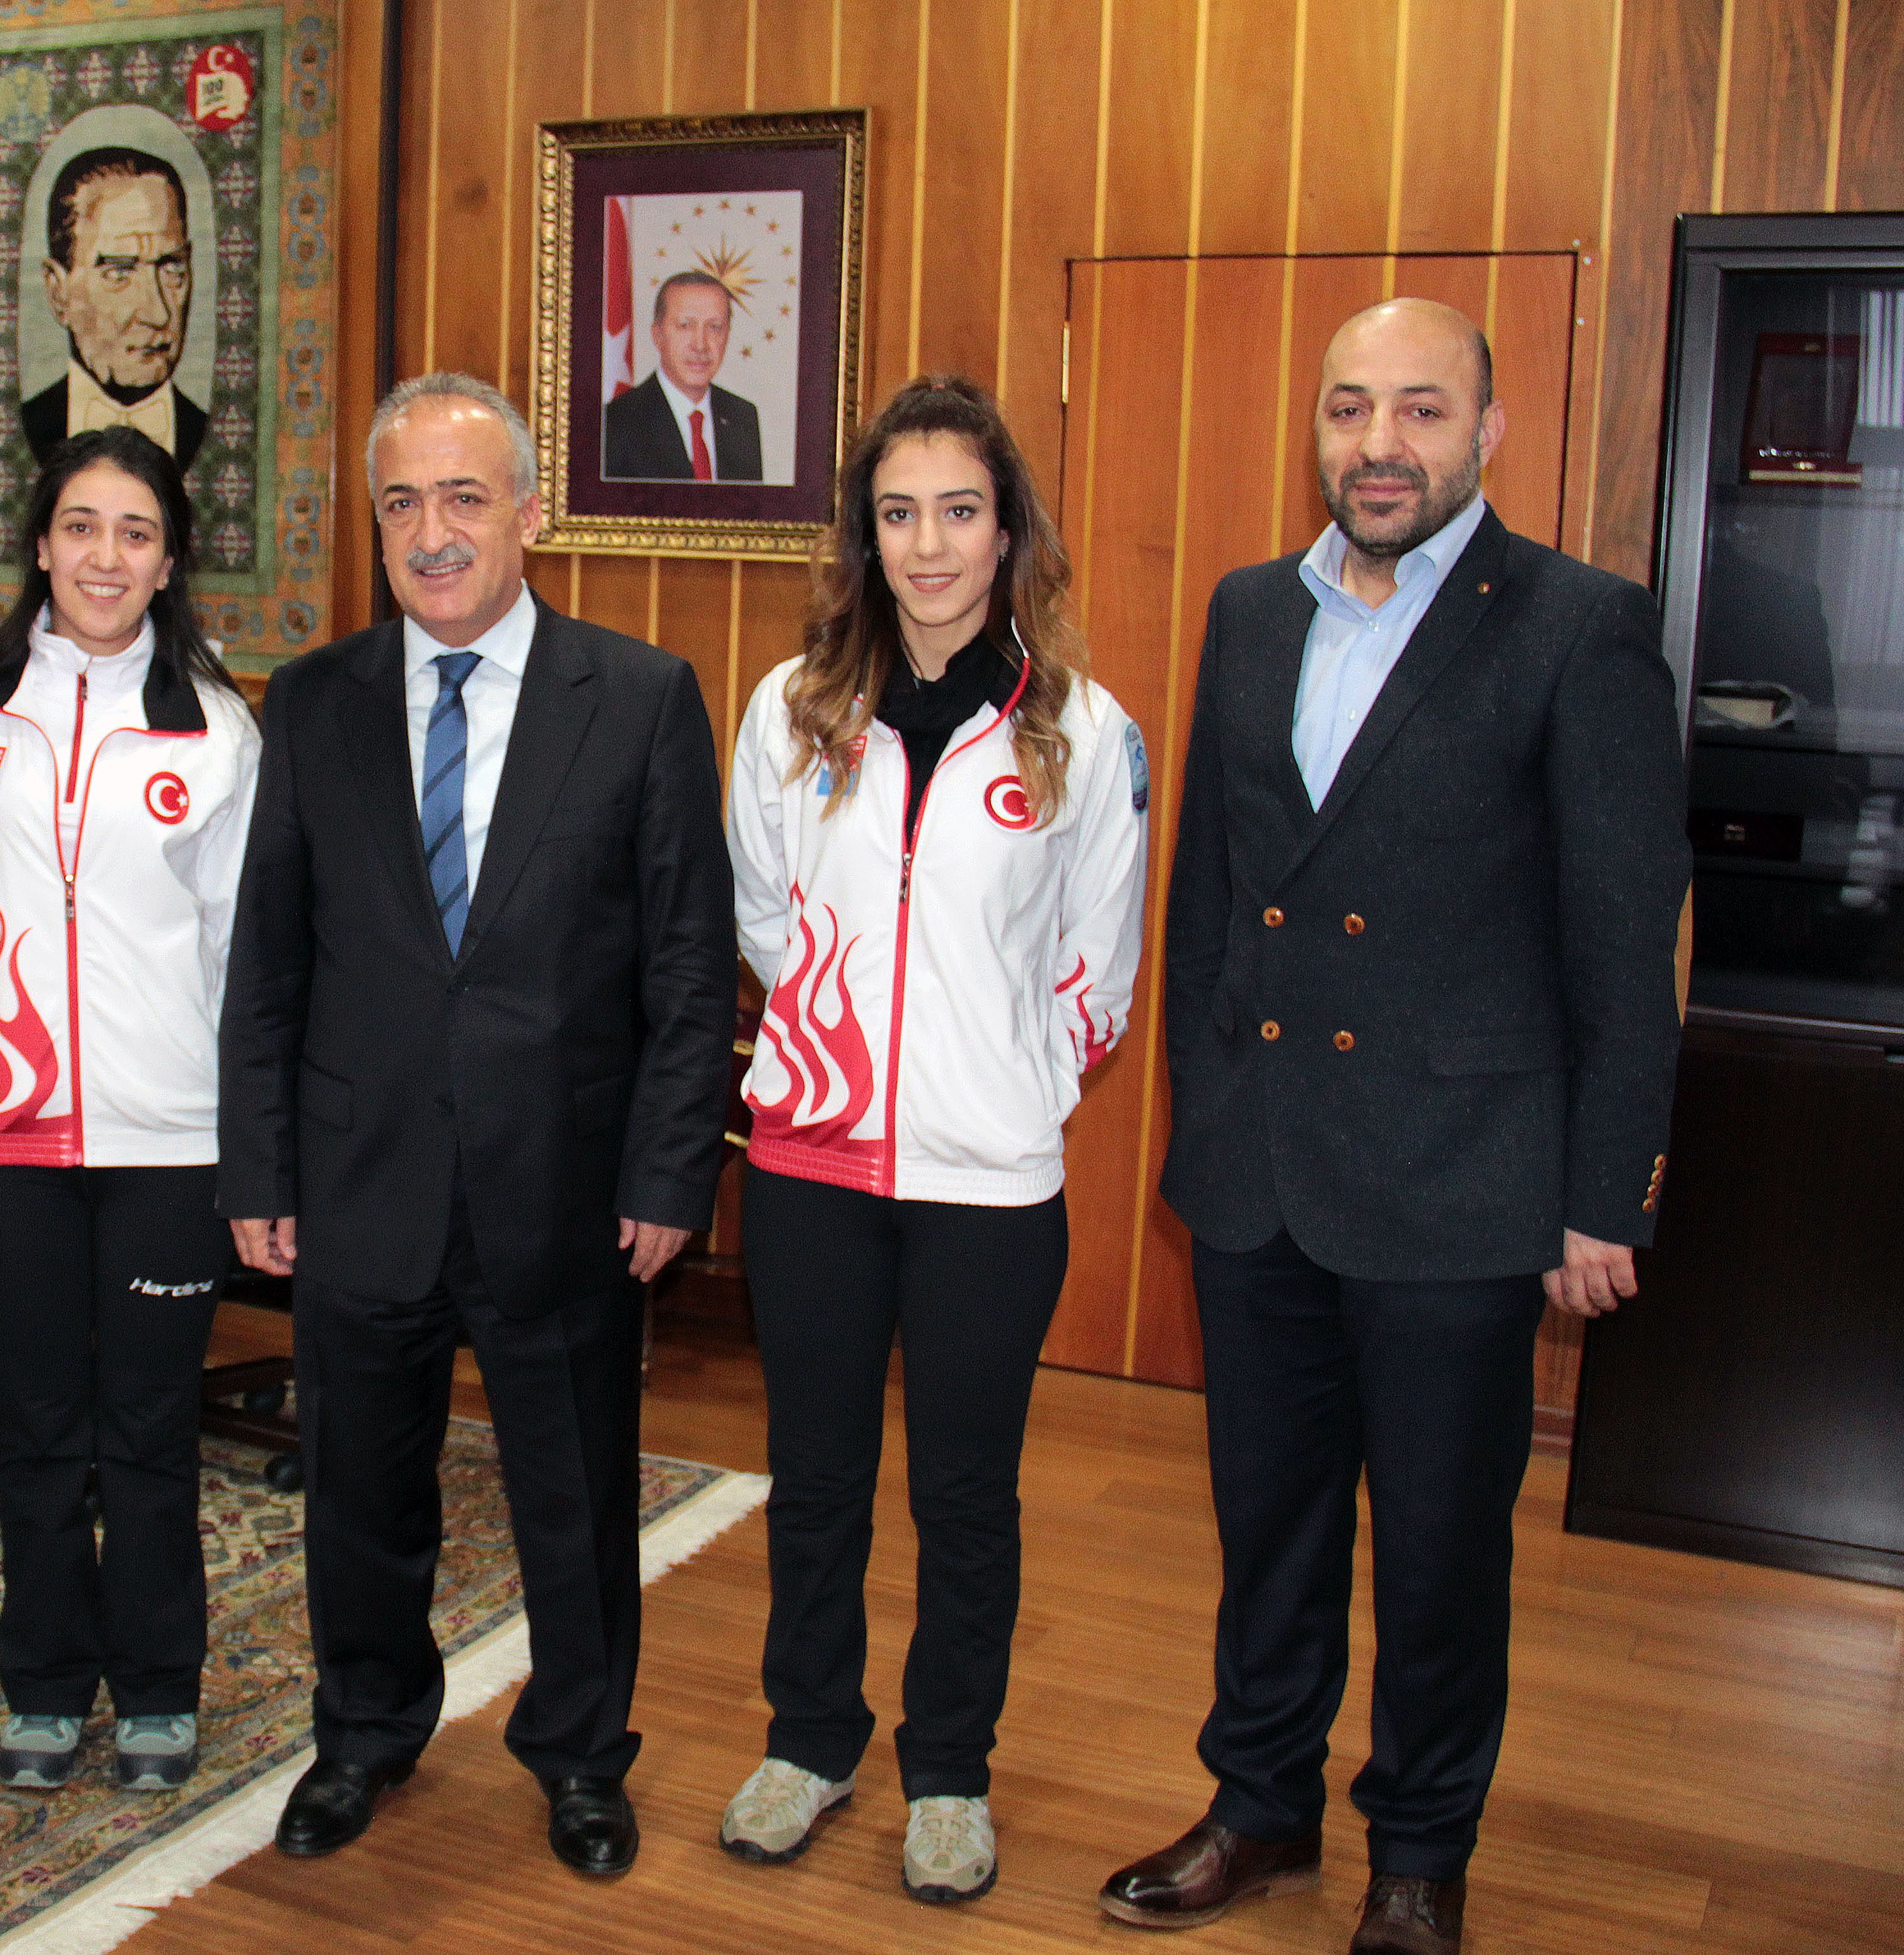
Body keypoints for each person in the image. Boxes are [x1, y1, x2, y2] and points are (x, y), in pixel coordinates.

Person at [1099, 298, 1687, 1955]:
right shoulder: (1245, 609)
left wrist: (1601, 1195)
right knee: (1265, 1527)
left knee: (1435, 1554)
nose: (1377, 442)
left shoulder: (1576, 627)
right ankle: (1257, 1801)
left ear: (1483, 433)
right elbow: (1209, 888)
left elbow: (1620, 943)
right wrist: (1208, 1107)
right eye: (1348, 407)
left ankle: (1418, 1853)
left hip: (1460, 1181)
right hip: (1264, 1172)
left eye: (1417, 409)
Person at [218, 372, 739, 1876]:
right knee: (358, 1495)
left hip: (564, 1192)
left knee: (571, 1499)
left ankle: (581, 1755)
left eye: (461, 498)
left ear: (526, 512)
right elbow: (271, 955)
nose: (432, 533)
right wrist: (257, 1159)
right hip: (356, 1182)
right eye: (400, 503)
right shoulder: (311, 701)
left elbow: (688, 966)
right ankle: (364, 1733)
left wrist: (663, 1170)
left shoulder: (637, 698)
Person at [717, 375, 1147, 1903]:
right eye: (896, 513)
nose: (927, 545)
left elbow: (1100, 969)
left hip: (986, 1184)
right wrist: (830, 1062)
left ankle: (948, 1770)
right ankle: (808, 1737)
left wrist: (1009, 1088)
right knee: (816, 1473)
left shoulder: (1084, 735)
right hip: (813, 1171)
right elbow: (764, 919)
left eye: (957, 511)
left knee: (965, 1492)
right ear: (863, 533)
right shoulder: (787, 710)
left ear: (1006, 527)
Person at [0, 426, 261, 1796]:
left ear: (168, 558)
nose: (103, 557)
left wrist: (250, 1135)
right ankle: (47, 1687)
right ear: (41, 544)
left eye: (133, 532)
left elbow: (243, 950)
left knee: (148, 1427)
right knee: (38, 1425)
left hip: (164, 1137)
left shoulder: (216, 727)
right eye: (78, 527)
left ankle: (162, 1689)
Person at [22, 147, 208, 470]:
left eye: (172, 271)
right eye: (119, 273)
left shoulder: (205, 432)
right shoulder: (28, 428)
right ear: (58, 292)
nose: (158, 314)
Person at [602, 272, 762, 482]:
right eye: (685, 325)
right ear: (658, 335)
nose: (701, 344)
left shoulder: (742, 417)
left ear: (727, 335)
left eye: (715, 328)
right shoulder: (617, 423)